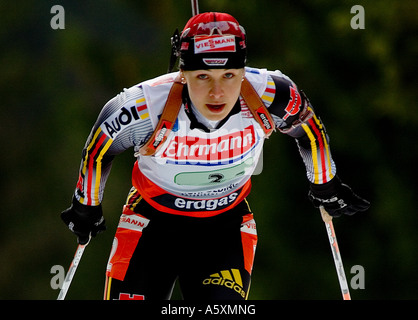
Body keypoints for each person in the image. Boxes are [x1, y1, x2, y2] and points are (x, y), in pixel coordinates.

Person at [60, 12, 370, 300]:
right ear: (183, 72)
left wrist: (325, 185)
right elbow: (100, 148)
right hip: (151, 224)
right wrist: (86, 205)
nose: (217, 93)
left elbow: (309, 130)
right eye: (203, 77)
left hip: (224, 229)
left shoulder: (273, 94)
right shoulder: (143, 106)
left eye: (229, 75)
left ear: (243, 69)